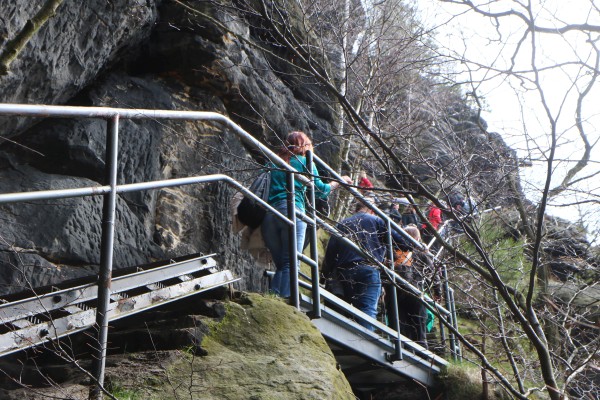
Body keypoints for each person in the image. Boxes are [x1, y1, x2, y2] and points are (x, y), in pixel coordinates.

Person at [261, 131, 350, 298]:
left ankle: (273, 299)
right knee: (291, 264)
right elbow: (320, 190)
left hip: (269, 216)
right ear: (305, 146)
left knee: (282, 265)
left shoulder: (274, 162)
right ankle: (285, 303)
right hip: (292, 212)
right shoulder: (305, 161)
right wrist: (338, 182)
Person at [324, 198, 412, 331]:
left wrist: (325, 274)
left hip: (344, 271)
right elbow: (404, 243)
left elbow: (330, 253)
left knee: (346, 308)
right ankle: (365, 341)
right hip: (368, 270)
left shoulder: (342, 223)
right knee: (367, 310)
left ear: (356, 209)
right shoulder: (377, 220)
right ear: (372, 210)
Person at [385, 225, 430, 348]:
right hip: (415, 291)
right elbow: (433, 274)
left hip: (395, 290)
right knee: (418, 324)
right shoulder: (421, 253)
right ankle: (422, 352)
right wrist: (437, 292)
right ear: (417, 238)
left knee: (399, 322)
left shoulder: (392, 250)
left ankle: (399, 347)